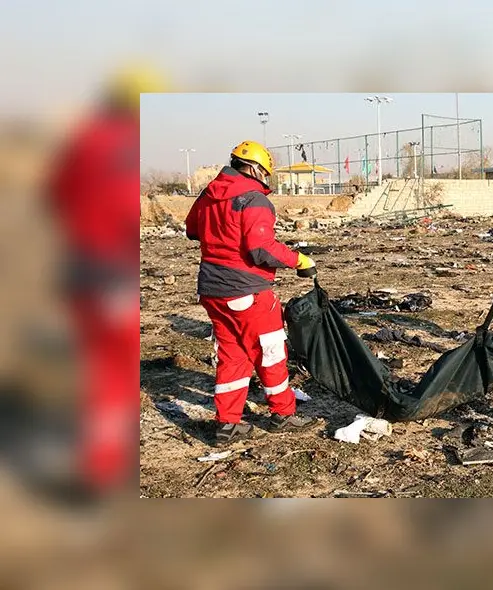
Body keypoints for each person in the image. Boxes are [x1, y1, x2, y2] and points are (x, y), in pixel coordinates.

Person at [46, 64, 166, 494]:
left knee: (93, 365)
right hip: (112, 274)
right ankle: (99, 469)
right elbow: (122, 208)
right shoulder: (123, 146)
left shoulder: (83, 139)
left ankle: (91, 453)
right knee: (115, 373)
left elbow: (54, 194)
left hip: (78, 269)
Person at [185, 141, 320, 446]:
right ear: (256, 168)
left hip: (212, 291)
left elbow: (192, 229)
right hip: (247, 291)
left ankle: (227, 424)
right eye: (265, 173)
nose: (265, 179)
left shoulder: (208, 194)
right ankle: (283, 414)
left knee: (232, 355)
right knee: (270, 352)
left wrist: (220, 234)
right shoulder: (254, 199)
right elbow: (261, 249)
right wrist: (299, 260)